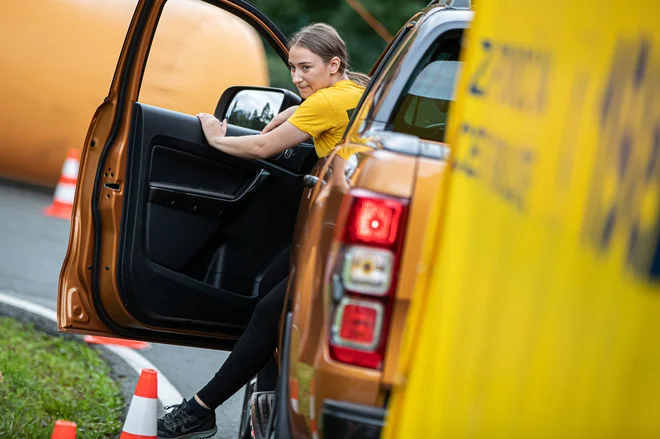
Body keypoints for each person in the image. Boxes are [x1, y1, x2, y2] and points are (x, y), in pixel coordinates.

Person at [156, 22, 369, 439]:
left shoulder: (326, 103)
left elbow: (260, 147)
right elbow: (302, 125)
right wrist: (294, 109)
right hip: (339, 233)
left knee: (271, 310)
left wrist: (217, 140)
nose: (296, 78)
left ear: (334, 64)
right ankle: (267, 400)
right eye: (292, 68)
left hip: (341, 237)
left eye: (305, 67)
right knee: (269, 293)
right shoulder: (355, 94)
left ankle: (200, 410)